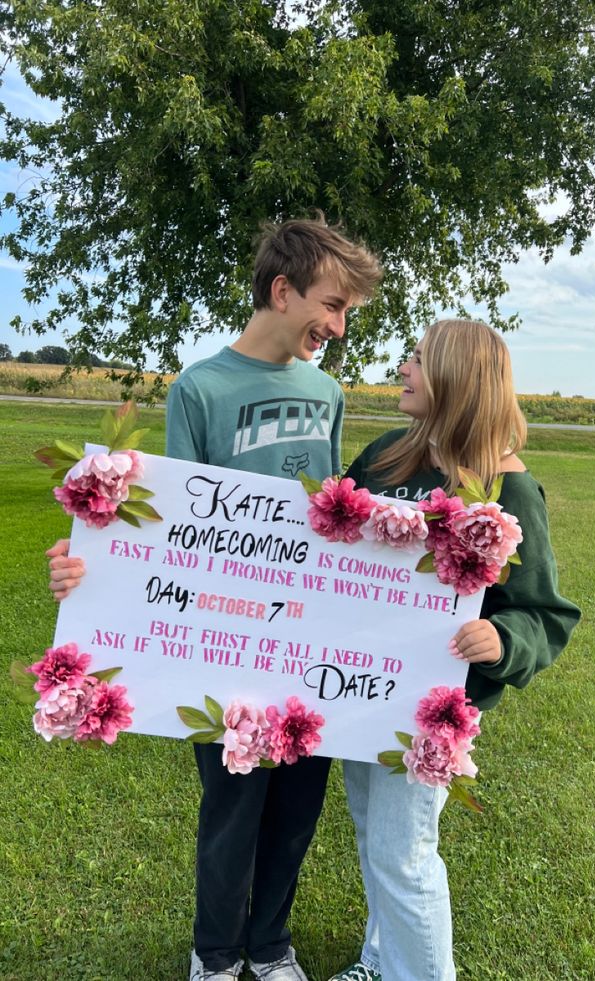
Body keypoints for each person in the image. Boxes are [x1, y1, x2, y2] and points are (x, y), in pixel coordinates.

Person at [46, 215, 382, 981]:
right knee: (234, 806)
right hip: (224, 641)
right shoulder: (200, 388)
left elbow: (329, 518)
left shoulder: (326, 392)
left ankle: (270, 947)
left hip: (308, 638)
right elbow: (173, 528)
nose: (336, 325)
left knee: (297, 807)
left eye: (344, 316)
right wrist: (90, 566)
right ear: (281, 289)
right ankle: (216, 954)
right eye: (330, 306)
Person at [326, 319, 581, 981]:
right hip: (359, 688)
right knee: (372, 837)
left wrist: (503, 638)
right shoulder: (386, 456)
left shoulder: (507, 487)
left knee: (403, 853)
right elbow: (324, 546)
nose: (403, 368)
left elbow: (544, 613)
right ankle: (378, 957)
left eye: (416, 358)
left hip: (431, 709)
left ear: (458, 378)